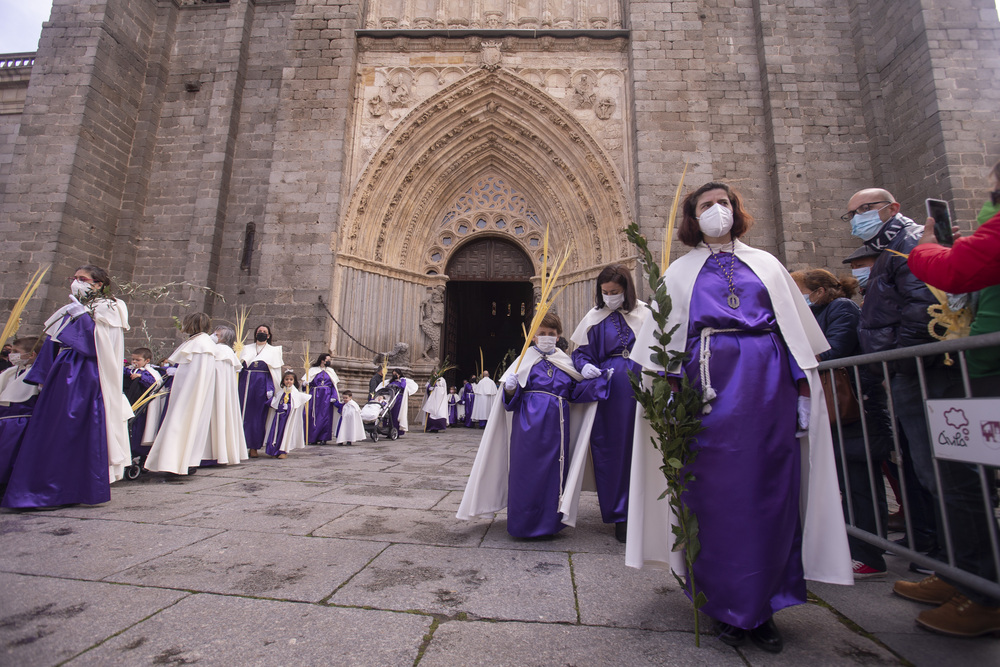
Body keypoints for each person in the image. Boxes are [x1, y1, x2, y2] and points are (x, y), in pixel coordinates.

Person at [627, 181, 852, 653]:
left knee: (770, 490)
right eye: (706, 205)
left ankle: (763, 605)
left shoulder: (767, 265)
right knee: (713, 495)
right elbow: (664, 344)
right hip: (705, 392)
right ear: (692, 217)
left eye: (723, 202)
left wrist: (804, 391)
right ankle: (723, 602)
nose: (717, 210)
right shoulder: (678, 272)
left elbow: (793, 333)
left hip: (767, 386)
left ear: (737, 210)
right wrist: (669, 394)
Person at [895, 163, 1000, 637]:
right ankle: (965, 577)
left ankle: (982, 594)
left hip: (977, 367)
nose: (989, 201)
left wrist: (926, 247)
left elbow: (953, 273)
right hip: (975, 368)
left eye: (994, 193)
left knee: (960, 478)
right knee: (953, 474)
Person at [844, 187, 953, 565]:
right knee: (920, 466)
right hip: (905, 371)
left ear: (892, 207)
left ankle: (955, 564)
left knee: (936, 468)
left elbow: (923, 305)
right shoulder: (891, 247)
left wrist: (899, 360)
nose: (859, 217)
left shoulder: (906, 242)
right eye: (853, 213)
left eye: (866, 208)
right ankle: (939, 553)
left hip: (916, 370)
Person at [457, 313, 610, 538]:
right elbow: (509, 403)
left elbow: (575, 393)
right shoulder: (522, 361)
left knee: (553, 475)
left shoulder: (565, 362)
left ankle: (550, 524)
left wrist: (599, 379)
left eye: (551, 334)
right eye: (542, 334)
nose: (547, 337)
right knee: (526, 472)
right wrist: (510, 388)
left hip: (558, 426)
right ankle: (524, 524)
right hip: (527, 427)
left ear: (558, 336)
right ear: (533, 336)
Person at [3, 265, 132, 508]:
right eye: (74, 278)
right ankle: (38, 484)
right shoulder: (70, 308)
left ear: (99, 284)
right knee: (49, 428)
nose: (76, 282)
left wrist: (82, 316)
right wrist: (41, 376)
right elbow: (52, 343)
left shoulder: (111, 307)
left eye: (83, 279)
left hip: (85, 376)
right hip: (60, 374)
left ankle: (66, 488)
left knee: (72, 426)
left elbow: (99, 346)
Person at [792, 269, 893, 579]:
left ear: (820, 290)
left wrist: (796, 354)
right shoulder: (821, 311)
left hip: (854, 406)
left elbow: (835, 350)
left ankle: (870, 553)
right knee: (847, 481)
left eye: (802, 293)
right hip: (834, 407)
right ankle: (856, 545)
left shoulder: (841, 308)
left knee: (860, 479)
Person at [571, 264, 652, 542]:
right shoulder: (594, 318)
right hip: (611, 390)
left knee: (644, 446)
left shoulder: (645, 314)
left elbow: (659, 348)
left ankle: (649, 510)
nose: (609, 297)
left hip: (644, 384)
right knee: (613, 450)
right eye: (604, 292)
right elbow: (580, 354)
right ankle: (621, 515)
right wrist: (585, 368)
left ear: (626, 290)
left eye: (615, 292)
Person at [144, 313, 217, 475]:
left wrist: (176, 374)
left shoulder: (202, 345)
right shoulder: (197, 341)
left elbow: (196, 374)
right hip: (184, 393)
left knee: (179, 425)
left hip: (189, 396)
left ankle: (174, 462)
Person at [0, 337, 40, 489]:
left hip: (21, 423)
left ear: (32, 355)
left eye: (16, 352)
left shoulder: (37, 373)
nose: (12, 355)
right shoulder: (10, 372)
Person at [238, 324, 283, 458]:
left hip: (260, 387)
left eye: (264, 331)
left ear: (268, 335)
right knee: (240, 414)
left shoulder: (273, 351)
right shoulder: (245, 348)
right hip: (244, 384)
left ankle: (253, 447)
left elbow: (273, 373)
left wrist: (270, 388)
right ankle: (238, 446)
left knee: (256, 418)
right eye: (259, 331)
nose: (261, 333)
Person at [206, 325, 248, 465]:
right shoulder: (222, 351)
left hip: (215, 395)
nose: (213, 336)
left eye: (216, 335)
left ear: (223, 338)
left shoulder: (221, 352)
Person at [123, 347, 162, 455]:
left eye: (138, 360)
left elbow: (154, 383)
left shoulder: (149, 372)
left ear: (147, 361)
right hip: (134, 401)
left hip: (144, 406)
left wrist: (140, 376)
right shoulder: (132, 369)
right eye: (133, 360)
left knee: (140, 429)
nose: (134, 362)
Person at [263, 370, 311, 459]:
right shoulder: (281, 392)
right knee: (275, 433)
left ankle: (283, 451)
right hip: (278, 416)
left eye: (291, 379)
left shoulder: (295, 393)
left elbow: (296, 403)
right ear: (283, 381)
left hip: (288, 417)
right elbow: (275, 402)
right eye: (286, 379)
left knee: (284, 434)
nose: (288, 381)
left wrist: (288, 406)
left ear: (294, 381)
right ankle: (274, 451)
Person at [304, 352, 340, 444]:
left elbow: (333, 385)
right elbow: (307, 383)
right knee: (313, 416)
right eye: (327, 360)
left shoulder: (331, 371)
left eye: (329, 360)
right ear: (322, 360)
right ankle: (312, 438)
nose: (329, 361)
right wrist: (305, 384)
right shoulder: (313, 370)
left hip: (326, 396)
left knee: (325, 416)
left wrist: (334, 396)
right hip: (315, 395)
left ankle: (323, 438)